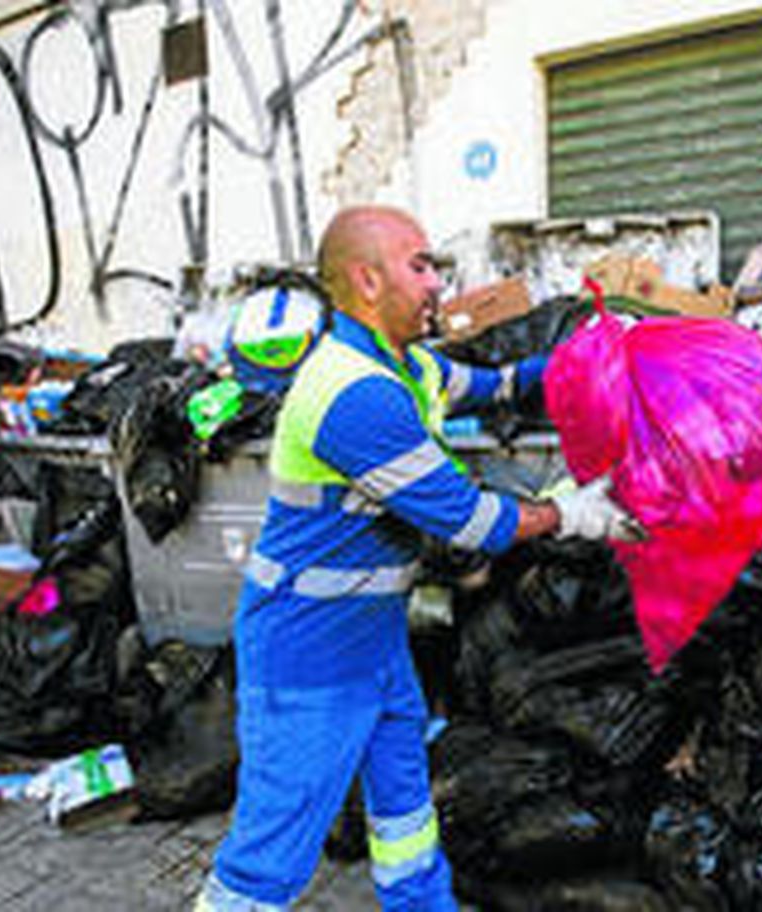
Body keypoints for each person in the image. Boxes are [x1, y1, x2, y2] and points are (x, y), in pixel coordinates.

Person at [197, 205, 640, 911]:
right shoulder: (352, 394)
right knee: (271, 854)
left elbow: (497, 384)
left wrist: (598, 354)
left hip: (371, 644)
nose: (438, 282)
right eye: (421, 266)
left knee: (405, 816)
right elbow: (466, 521)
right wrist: (570, 512)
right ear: (368, 281)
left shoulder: (407, 366)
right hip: (305, 656)